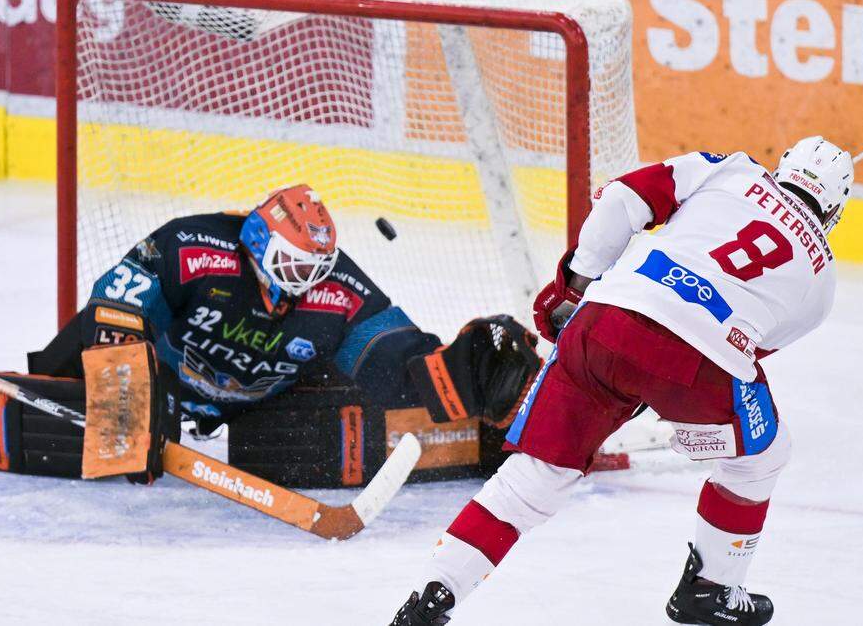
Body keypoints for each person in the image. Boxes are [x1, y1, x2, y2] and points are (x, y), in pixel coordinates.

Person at [390, 137, 854, 626]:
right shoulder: (823, 281)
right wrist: (676, 405)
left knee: (534, 477)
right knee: (760, 460)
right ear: (834, 209)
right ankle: (711, 587)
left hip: (606, 319)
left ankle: (432, 595)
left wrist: (576, 283)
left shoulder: (730, 168)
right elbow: (750, 349)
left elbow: (623, 199)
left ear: (782, 168)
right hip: (699, 364)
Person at [26, 183, 542, 484]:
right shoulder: (192, 245)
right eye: (293, 266)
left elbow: (393, 355)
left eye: (317, 267)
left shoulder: (338, 288)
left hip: (262, 409)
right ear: (257, 242)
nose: (306, 281)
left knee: (365, 399)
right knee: (105, 342)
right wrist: (124, 377)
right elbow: (117, 300)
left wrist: (456, 369)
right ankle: (43, 395)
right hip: (168, 386)